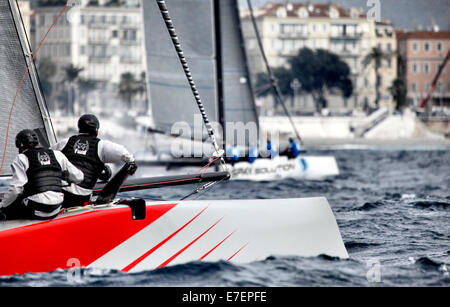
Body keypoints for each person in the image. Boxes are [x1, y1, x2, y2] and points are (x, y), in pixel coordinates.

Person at [51, 114, 137, 208]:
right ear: (96, 131)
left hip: (59, 194)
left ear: (79, 129)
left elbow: (47, 153)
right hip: (80, 199)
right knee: (131, 164)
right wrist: (132, 163)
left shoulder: (65, 142)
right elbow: (124, 154)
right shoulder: (102, 146)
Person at [0, 129, 84, 220]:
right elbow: (79, 177)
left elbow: (15, 189)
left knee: (9, 206)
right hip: (56, 207)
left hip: (37, 210)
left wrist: (2, 205)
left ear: (20, 145)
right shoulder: (57, 154)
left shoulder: (21, 158)